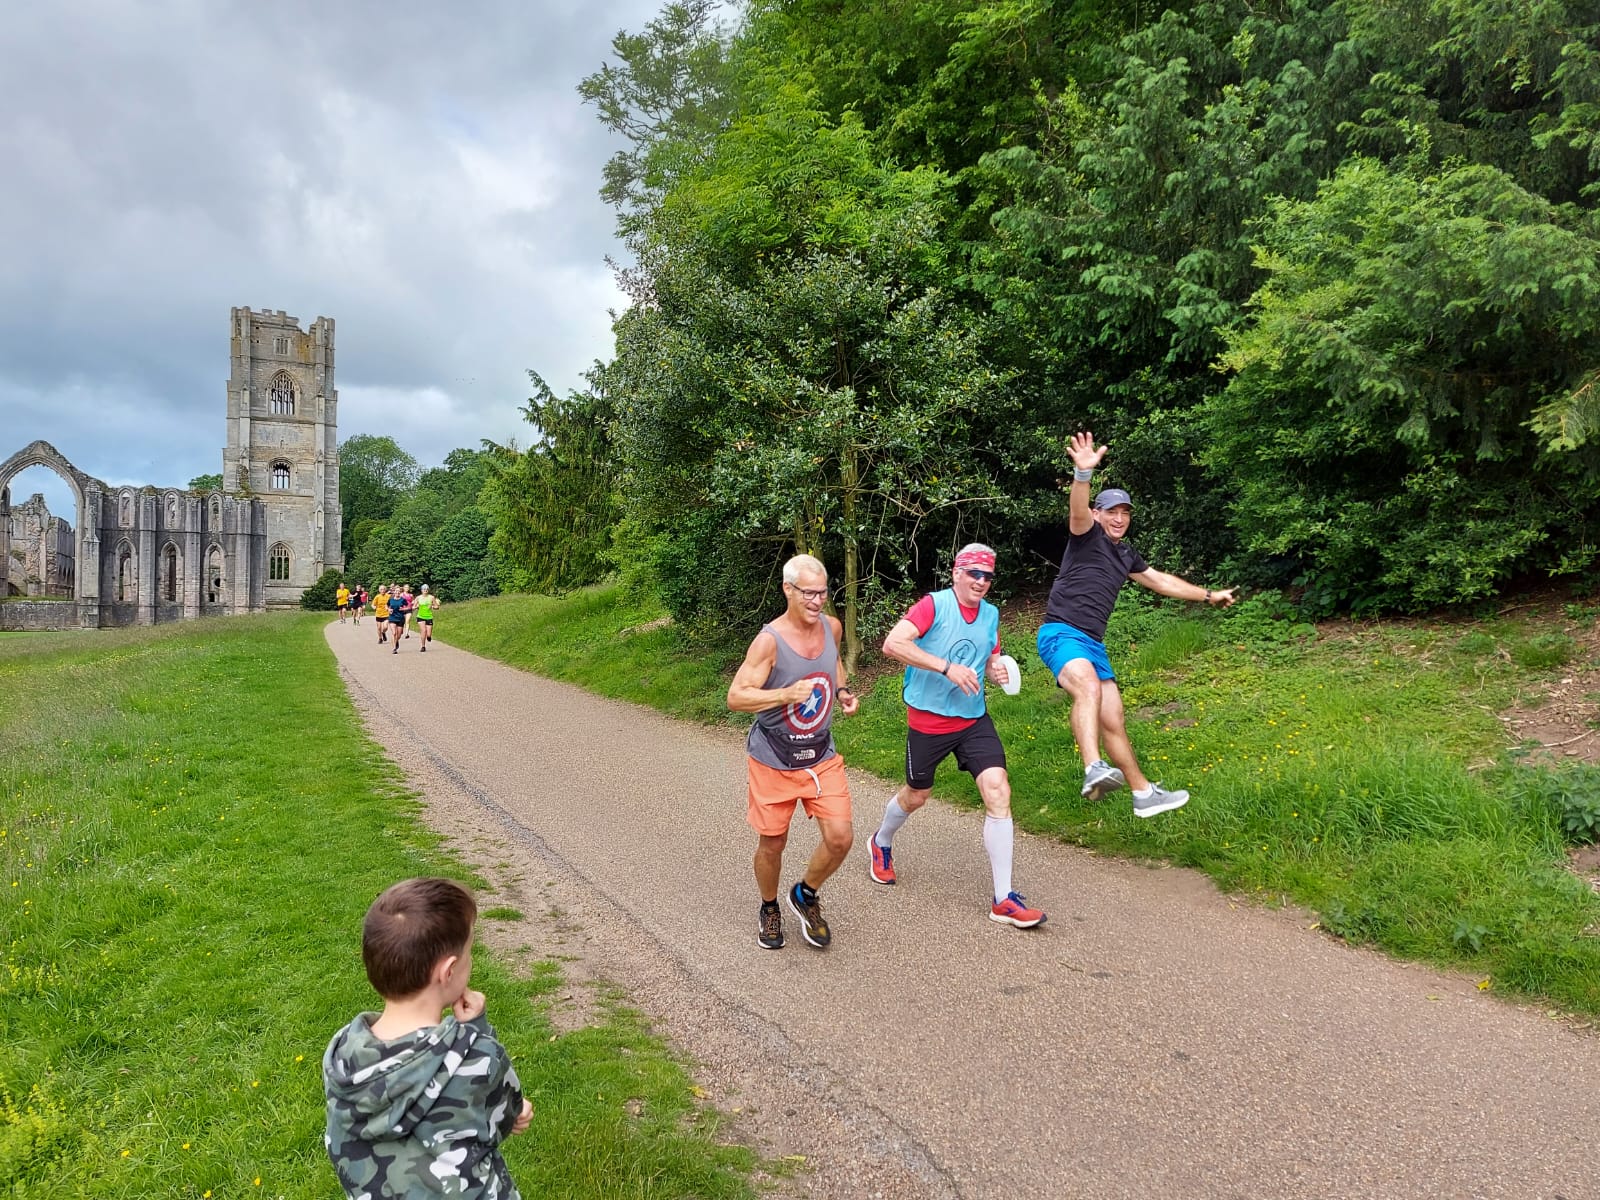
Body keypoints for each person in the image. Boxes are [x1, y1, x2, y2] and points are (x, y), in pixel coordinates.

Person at [1038, 432, 1236, 817]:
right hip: (1061, 631)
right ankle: (1093, 768)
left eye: (1125, 512)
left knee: (1114, 718)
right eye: (1111, 511)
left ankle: (1143, 793)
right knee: (1088, 689)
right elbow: (1077, 511)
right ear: (1098, 514)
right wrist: (1082, 475)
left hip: (1092, 642)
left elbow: (1161, 581)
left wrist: (1209, 596)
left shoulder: (1125, 554)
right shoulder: (1085, 535)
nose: (1119, 518)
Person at [323, 877, 533, 1200]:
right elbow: (509, 1111)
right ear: (448, 972)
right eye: (469, 951)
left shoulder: (343, 1056)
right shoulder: (479, 1057)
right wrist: (476, 1030)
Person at [871, 544, 1045, 928]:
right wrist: (946, 667)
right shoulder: (933, 605)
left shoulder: (991, 614)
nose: (981, 582)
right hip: (929, 721)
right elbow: (893, 644)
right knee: (918, 794)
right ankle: (881, 842)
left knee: (998, 789)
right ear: (956, 573)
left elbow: (991, 656)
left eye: (987, 576)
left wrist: (997, 671)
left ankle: (1003, 899)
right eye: (974, 574)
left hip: (972, 719)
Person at [726, 554, 858, 950]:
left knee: (840, 838)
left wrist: (842, 692)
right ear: (788, 590)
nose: (818, 601)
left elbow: (833, 665)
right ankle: (769, 907)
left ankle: (805, 893)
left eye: (823, 592)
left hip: (820, 756)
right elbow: (736, 697)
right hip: (774, 759)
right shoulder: (770, 641)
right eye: (809, 593)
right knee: (773, 842)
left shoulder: (832, 627)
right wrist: (785, 693)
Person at [414, 585, 438, 652]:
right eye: (424, 589)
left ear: (428, 590)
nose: (425, 591)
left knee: (429, 634)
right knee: (423, 630)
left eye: (426, 589)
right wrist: (416, 606)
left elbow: (437, 607)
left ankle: (429, 637)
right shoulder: (418, 598)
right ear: (421, 590)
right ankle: (423, 646)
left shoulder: (431, 597)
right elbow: (413, 607)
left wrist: (432, 607)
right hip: (420, 616)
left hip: (429, 616)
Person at [386, 586, 408, 654]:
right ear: (394, 592)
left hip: (400, 618)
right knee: (394, 633)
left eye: (399, 591)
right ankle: (394, 648)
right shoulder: (391, 599)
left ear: (400, 592)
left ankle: (396, 641)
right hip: (392, 617)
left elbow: (408, 606)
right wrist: (388, 609)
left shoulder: (402, 600)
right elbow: (386, 605)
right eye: (396, 591)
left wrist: (404, 609)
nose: (397, 592)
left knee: (399, 634)